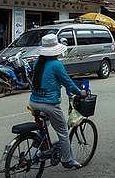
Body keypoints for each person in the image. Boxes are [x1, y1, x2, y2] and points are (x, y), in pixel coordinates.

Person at [29, 33, 86, 169]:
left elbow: (45, 80)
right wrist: (80, 92)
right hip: (49, 104)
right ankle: (67, 160)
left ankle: (39, 149)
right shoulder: (56, 64)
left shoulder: (38, 62)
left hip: (33, 102)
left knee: (44, 125)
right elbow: (68, 82)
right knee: (63, 132)